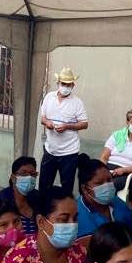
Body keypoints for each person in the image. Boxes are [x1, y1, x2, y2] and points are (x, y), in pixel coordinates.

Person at [39, 66, 88, 195]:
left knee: (66, 189)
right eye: (63, 84)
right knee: (44, 186)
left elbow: (84, 124)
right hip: (50, 150)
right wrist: (47, 123)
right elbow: (43, 118)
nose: (66, 87)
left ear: (73, 85)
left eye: (69, 84)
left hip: (69, 152)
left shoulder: (77, 103)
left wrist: (67, 126)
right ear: (58, 83)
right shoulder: (49, 97)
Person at [76, 154, 132, 241]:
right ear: (85, 188)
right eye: (99, 183)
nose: (107, 186)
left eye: (109, 180)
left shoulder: (116, 202)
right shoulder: (78, 214)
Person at [0, 156, 39, 234]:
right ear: (13, 178)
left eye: (33, 174)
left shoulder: (37, 197)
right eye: (24, 173)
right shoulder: (1, 199)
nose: (29, 178)